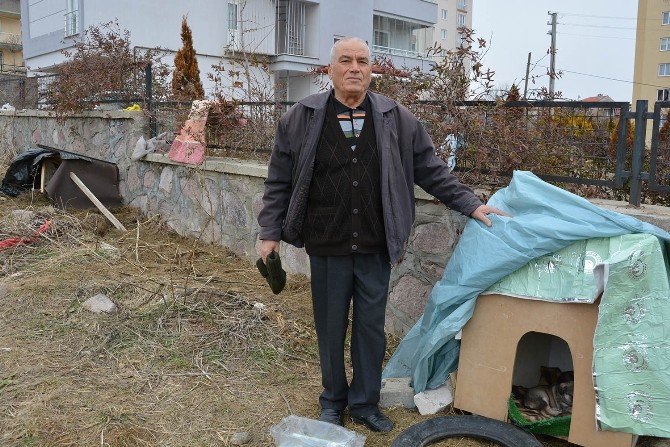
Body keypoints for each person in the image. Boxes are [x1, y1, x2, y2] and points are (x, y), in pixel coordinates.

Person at [257, 37, 507, 432]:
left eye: (362, 61)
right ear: (331, 69)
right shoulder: (302, 117)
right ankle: (332, 401)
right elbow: (279, 180)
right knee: (330, 326)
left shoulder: (397, 118)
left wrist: (471, 204)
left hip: (376, 244)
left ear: (372, 69)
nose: (354, 67)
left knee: (370, 329)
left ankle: (365, 405)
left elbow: (431, 169)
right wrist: (269, 231)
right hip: (327, 243)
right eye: (345, 60)